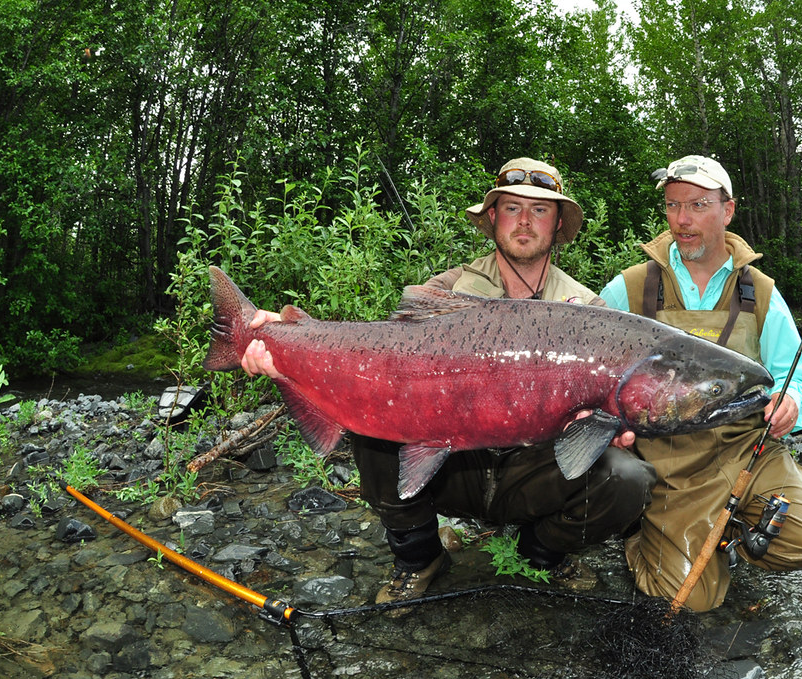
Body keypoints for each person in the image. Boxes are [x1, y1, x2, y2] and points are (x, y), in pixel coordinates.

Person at [241, 157, 657, 605]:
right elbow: (383, 356)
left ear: (557, 225)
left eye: (540, 210)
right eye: (512, 207)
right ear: (493, 217)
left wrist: (608, 428)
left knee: (628, 477)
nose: (524, 221)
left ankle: (540, 553)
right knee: (376, 427)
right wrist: (280, 340)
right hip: (455, 471)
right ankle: (419, 557)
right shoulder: (449, 288)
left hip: (532, 472)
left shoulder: (589, 312)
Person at [600, 154, 802, 612]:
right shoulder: (627, 290)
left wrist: (792, 400)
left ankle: (723, 533)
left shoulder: (761, 292)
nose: (682, 220)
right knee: (690, 604)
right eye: (673, 206)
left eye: (697, 206)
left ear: (727, 211)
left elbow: (796, 374)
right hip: (670, 465)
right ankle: (640, 533)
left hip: (747, 451)